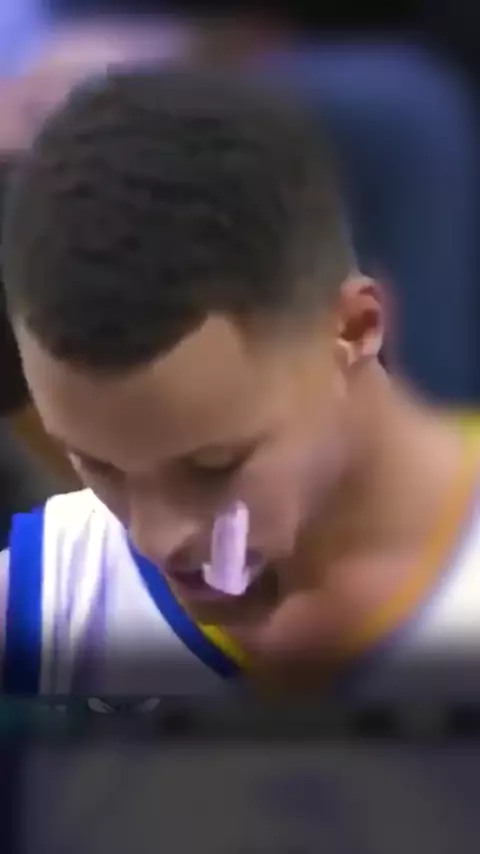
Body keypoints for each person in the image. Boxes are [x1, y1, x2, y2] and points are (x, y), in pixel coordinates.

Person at [1, 67, 479, 699]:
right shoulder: (50, 604)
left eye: (214, 467)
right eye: (98, 466)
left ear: (354, 329)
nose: (157, 539)